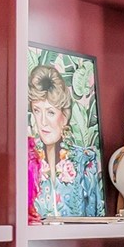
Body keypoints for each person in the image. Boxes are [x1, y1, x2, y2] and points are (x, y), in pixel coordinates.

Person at [27, 61, 103, 220]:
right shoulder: (27, 162)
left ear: (64, 116)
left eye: (50, 113)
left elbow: (96, 220)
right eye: (36, 111)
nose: (43, 122)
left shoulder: (85, 160)